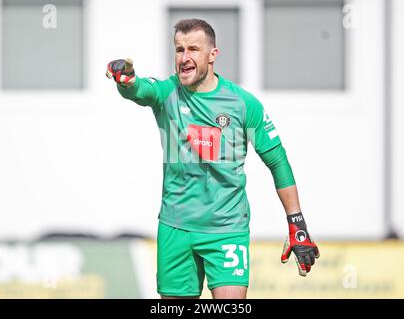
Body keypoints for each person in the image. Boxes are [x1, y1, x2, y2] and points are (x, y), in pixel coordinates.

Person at [106, 18, 319, 299]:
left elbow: (277, 161)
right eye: (179, 49)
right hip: (176, 228)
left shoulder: (243, 104)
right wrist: (126, 80)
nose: (184, 57)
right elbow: (139, 89)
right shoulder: (167, 93)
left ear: (212, 55)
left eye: (193, 49)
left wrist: (297, 225)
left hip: (227, 229)